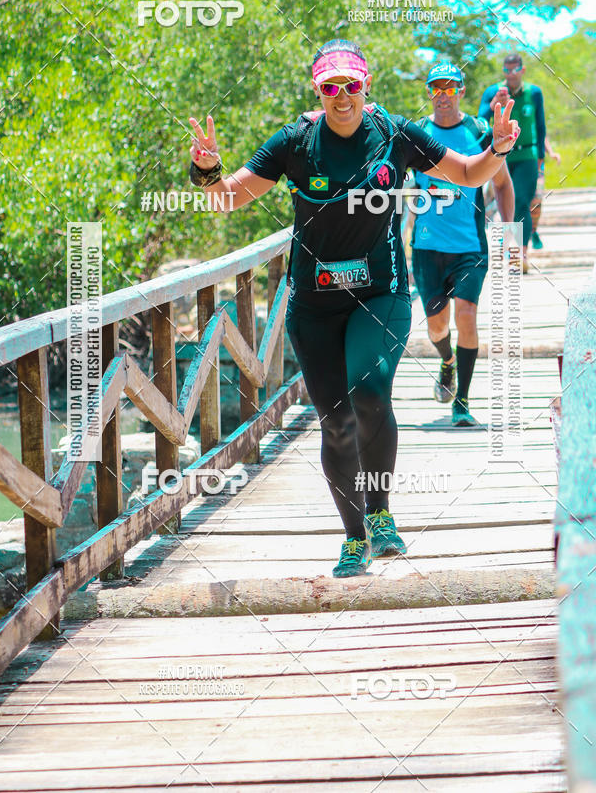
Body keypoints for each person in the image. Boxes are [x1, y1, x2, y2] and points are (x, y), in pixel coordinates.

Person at [188, 39, 519, 578]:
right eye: (331, 87)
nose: (342, 96)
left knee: (368, 395)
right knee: (336, 422)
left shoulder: (396, 135)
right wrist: (206, 169)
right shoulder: (295, 142)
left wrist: (497, 150)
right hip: (314, 306)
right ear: (317, 90)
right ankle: (353, 537)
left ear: (367, 87)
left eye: (352, 86)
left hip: (380, 295)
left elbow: (467, 173)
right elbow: (227, 195)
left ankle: (381, 513)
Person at [411, 62, 514, 427]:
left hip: (470, 246)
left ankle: (463, 401)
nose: (442, 96)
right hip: (426, 248)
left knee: (466, 315)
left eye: (450, 88)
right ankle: (447, 362)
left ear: (461, 92)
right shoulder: (418, 133)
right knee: (437, 327)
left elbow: (501, 184)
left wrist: (508, 233)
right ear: (429, 93)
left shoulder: (479, 131)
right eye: (435, 89)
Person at [479, 52, 546, 271]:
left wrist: (541, 159)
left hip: (527, 155)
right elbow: (479, 122)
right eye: (506, 70)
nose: (510, 74)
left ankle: (521, 254)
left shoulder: (534, 93)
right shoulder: (494, 91)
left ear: (522, 70)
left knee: (522, 203)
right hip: (501, 156)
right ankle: (508, 249)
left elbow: (541, 125)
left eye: (514, 69)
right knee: (505, 203)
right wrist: (493, 105)